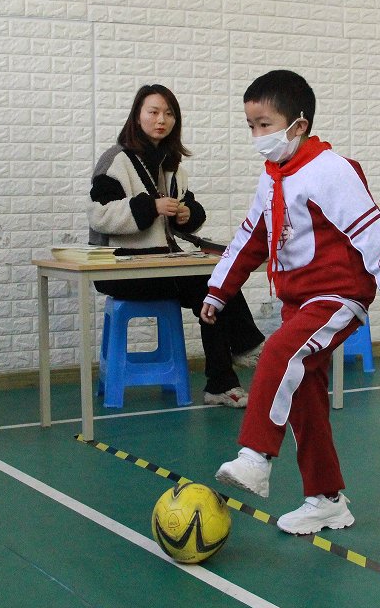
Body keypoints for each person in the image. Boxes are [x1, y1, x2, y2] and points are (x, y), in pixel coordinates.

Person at [201, 69, 380, 535]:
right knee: (304, 395)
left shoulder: (331, 171)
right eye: (251, 126)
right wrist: (218, 291)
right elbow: (251, 239)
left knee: (278, 354)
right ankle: (325, 499)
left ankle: (256, 457)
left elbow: (373, 232)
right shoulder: (272, 178)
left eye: (265, 124)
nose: (257, 136)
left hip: (337, 295)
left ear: (297, 125)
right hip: (298, 302)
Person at [88, 84, 264, 407]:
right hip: (120, 269)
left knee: (215, 289)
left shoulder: (172, 166)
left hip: (163, 266)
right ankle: (244, 347)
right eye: (153, 112)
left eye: (169, 114)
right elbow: (100, 214)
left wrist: (185, 214)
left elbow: (193, 212)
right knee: (211, 283)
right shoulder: (116, 160)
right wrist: (150, 207)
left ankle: (222, 384)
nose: (161, 120)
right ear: (137, 116)